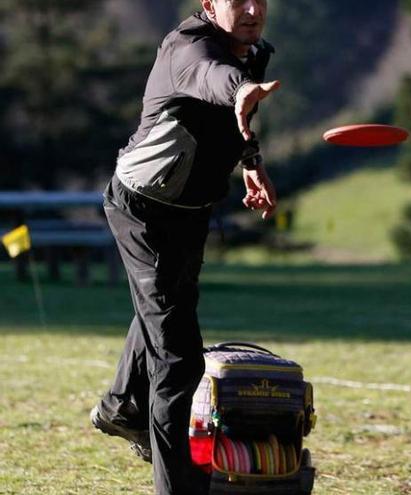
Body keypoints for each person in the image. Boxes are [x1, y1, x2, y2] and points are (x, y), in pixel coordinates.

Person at [89, 1, 278, 493]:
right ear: (210, 5)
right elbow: (211, 79)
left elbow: (234, 120)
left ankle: (119, 407)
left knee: (165, 309)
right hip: (144, 209)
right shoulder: (187, 48)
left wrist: (251, 161)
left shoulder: (252, 50)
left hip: (191, 208)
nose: (254, 9)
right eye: (239, 1)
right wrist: (241, 88)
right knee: (178, 358)